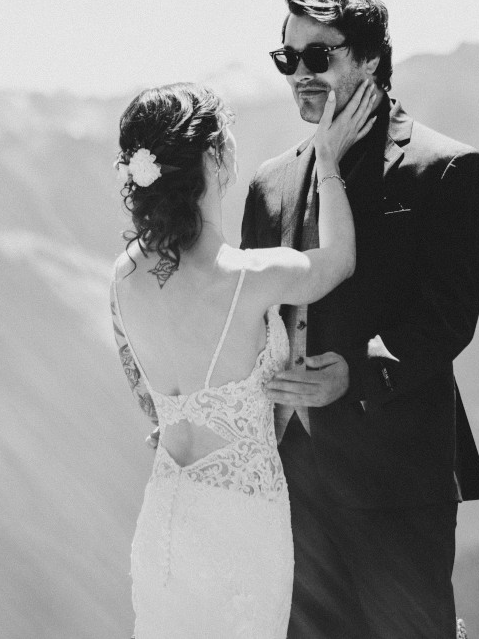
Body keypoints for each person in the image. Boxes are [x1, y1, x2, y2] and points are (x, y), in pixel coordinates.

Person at [242, 0, 479, 639]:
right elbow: (250, 318)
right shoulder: (270, 183)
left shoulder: (445, 169)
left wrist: (353, 372)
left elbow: (448, 316)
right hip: (290, 484)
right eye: (286, 58)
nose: (299, 74)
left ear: (372, 60)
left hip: (398, 477)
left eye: (317, 57)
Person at [109, 80, 382, 639]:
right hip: (242, 521)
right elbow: (340, 260)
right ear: (212, 157)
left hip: (166, 508)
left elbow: (145, 394)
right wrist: (327, 159)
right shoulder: (248, 278)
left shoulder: (124, 275)